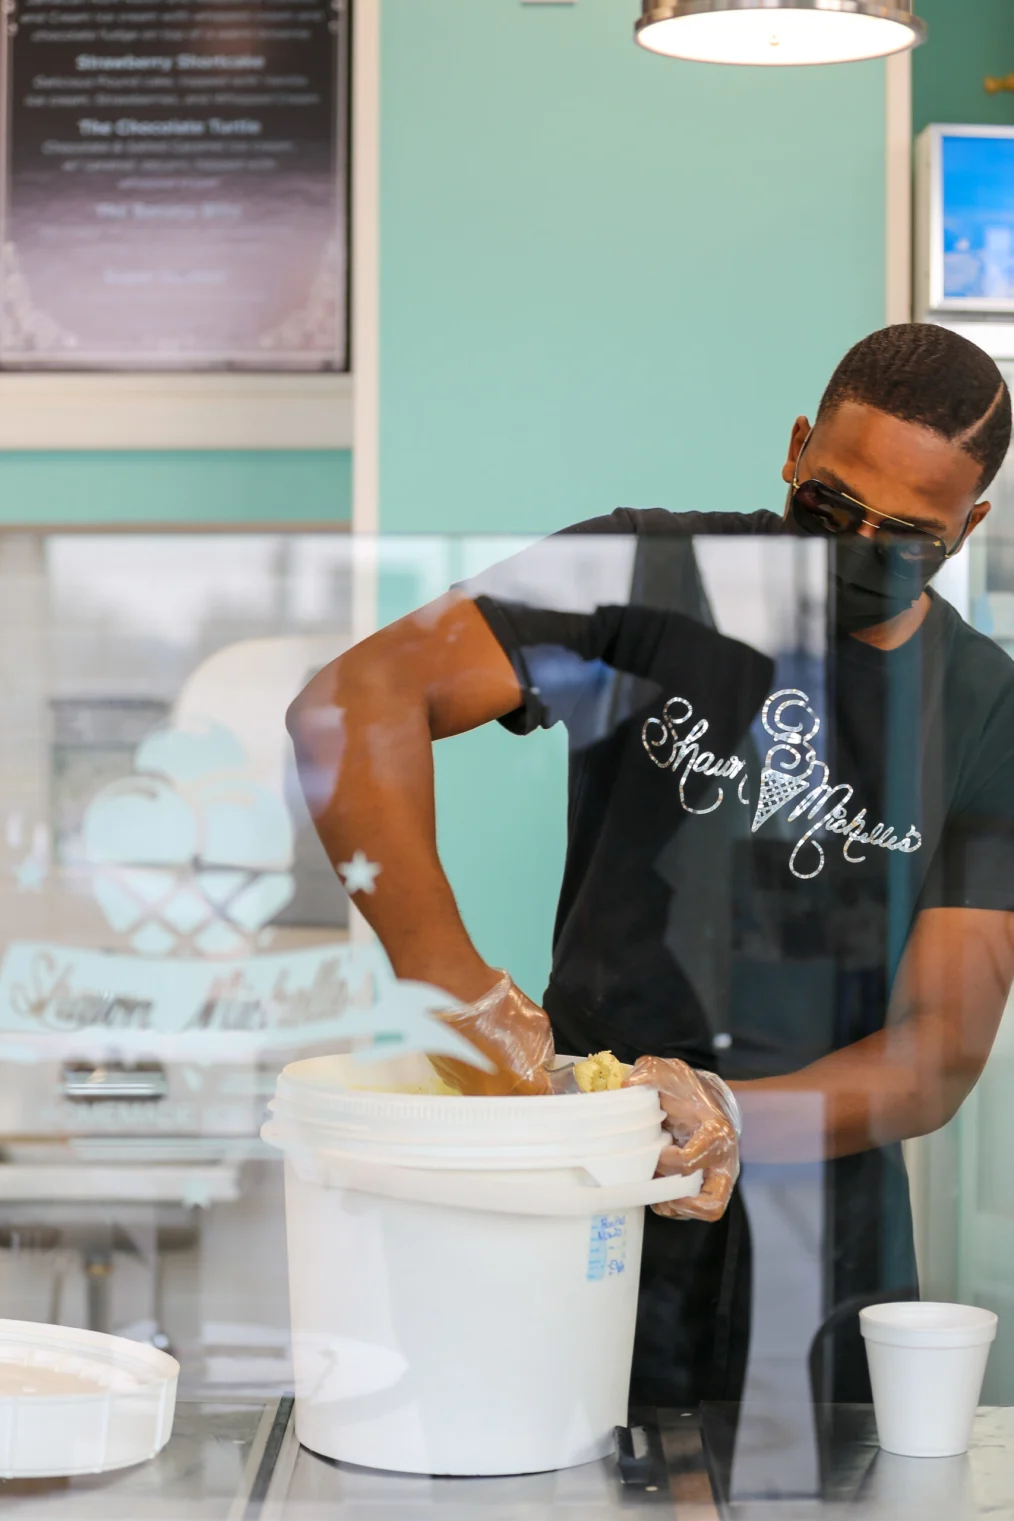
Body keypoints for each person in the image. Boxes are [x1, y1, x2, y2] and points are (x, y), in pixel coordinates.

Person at [287, 323, 1014, 1406]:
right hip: (579, 1183)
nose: (857, 549)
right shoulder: (652, 575)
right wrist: (450, 983)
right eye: (830, 507)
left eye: (905, 536)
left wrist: (721, 1110)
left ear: (971, 525)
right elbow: (350, 705)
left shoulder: (986, 711)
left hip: (820, 1237)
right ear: (796, 448)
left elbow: (938, 1053)